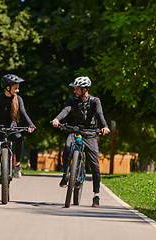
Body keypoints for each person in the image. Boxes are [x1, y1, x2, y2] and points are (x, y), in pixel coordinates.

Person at [51, 76, 110, 207]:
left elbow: (100, 114)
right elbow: (65, 110)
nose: (74, 91)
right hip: (76, 131)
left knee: (95, 165)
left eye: (76, 89)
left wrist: (105, 126)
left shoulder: (95, 101)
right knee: (67, 147)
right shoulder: (72, 100)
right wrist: (57, 119)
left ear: (84, 89)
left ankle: (96, 196)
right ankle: (66, 175)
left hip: (90, 134)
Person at [0, 74, 35, 202]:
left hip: (12, 130)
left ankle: (17, 165)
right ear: (8, 88)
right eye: (16, 87)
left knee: (19, 138)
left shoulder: (18, 99)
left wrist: (31, 124)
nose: (18, 90)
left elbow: (24, 113)